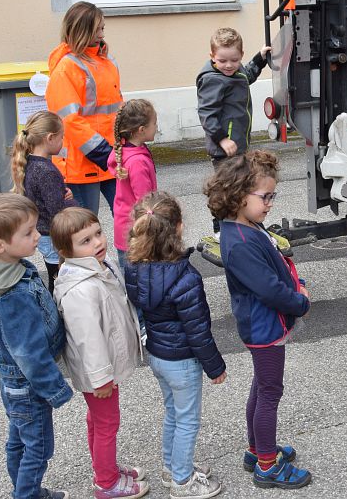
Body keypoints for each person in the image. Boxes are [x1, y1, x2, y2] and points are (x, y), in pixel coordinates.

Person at [208, 151, 311, 489]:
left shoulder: (246, 226)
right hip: (264, 326)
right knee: (270, 392)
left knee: (261, 386)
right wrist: (300, 302)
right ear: (238, 197)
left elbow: (274, 267)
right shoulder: (239, 242)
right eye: (264, 197)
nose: (270, 203)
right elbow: (268, 289)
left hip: (262, 324)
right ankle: (267, 465)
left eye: (272, 195)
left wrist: (296, 283)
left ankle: (256, 450)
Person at [0, 193, 74, 499]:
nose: (37, 235)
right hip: (28, 386)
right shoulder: (11, 294)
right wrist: (55, 389)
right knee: (38, 447)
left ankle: (24, 490)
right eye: (28, 233)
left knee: (20, 440)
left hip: (14, 384)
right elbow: (28, 353)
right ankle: (28, 495)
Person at [124, 192, 227, 499]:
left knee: (173, 412)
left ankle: (172, 466)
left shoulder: (134, 268)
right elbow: (197, 331)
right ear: (179, 227)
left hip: (157, 353)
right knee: (187, 420)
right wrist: (215, 367)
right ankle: (182, 480)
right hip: (182, 360)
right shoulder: (185, 277)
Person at [51, 206, 147, 499]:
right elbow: (88, 339)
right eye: (86, 241)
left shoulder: (98, 266)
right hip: (98, 371)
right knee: (107, 423)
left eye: (98, 233)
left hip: (103, 365)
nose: (97, 242)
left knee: (98, 420)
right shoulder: (81, 289)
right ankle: (106, 483)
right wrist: (101, 378)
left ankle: (105, 468)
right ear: (66, 251)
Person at [47, 1, 122, 217]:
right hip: (81, 163)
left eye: (103, 28)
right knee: (84, 226)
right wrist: (104, 152)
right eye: (97, 29)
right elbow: (69, 121)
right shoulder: (66, 69)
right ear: (82, 30)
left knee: (129, 219)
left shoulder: (107, 62)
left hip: (109, 155)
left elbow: (116, 107)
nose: (102, 34)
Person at [12, 110, 77, 293]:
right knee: (59, 279)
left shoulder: (30, 163)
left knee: (54, 275)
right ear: (50, 138)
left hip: (42, 231)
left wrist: (62, 192)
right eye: (61, 137)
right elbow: (57, 211)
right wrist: (71, 203)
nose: (62, 142)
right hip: (52, 234)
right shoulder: (46, 170)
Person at [196, 27, 272, 166]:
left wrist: (260, 58)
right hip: (224, 150)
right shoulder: (212, 80)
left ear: (241, 55)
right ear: (212, 56)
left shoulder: (236, 71)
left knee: (239, 184)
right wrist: (222, 139)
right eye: (222, 61)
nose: (229, 65)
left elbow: (247, 75)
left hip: (238, 143)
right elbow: (207, 114)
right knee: (229, 186)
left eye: (234, 60)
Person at [108, 99, 158, 267]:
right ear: (141, 130)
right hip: (137, 230)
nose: (156, 128)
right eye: (154, 124)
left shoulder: (126, 151)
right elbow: (145, 201)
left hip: (125, 227)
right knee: (138, 278)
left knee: (130, 276)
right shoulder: (137, 161)